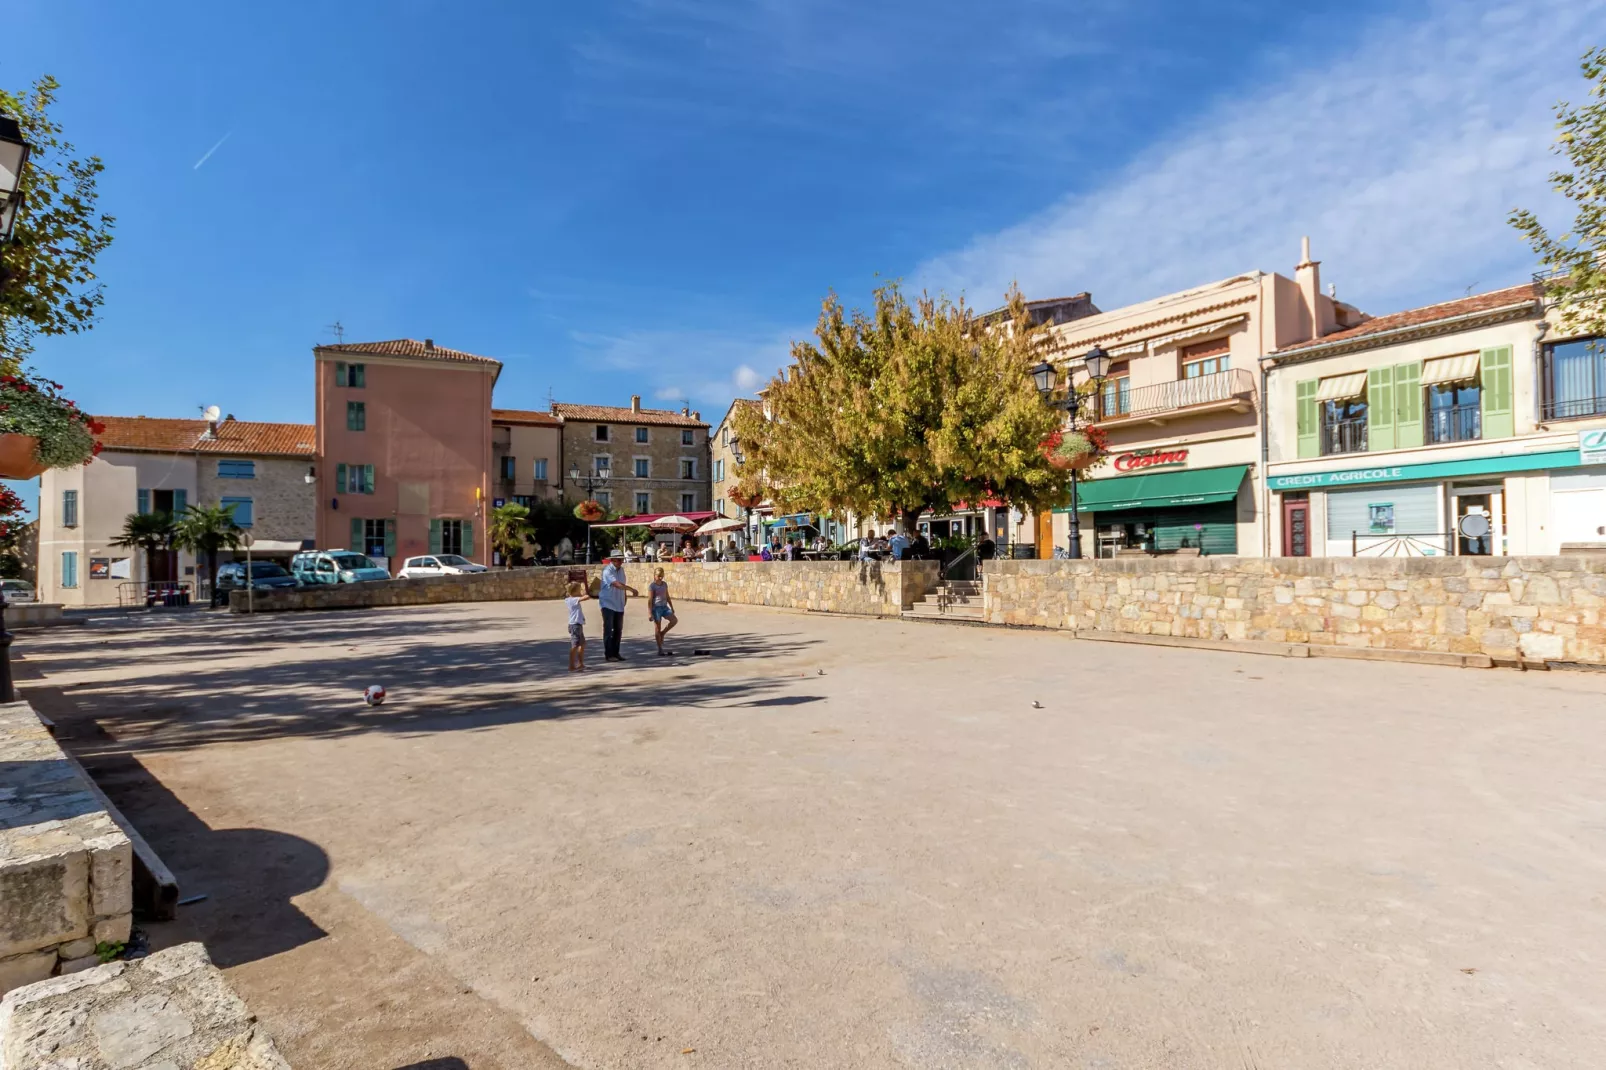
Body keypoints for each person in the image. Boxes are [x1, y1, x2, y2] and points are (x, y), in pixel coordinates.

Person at [599, 552, 639, 661]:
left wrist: (624, 598)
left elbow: (622, 584)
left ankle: (616, 653)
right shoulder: (607, 571)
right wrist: (631, 590)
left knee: (618, 629)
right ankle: (609, 654)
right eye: (618, 560)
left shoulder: (621, 570)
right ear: (612, 560)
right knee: (608, 629)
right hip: (607, 603)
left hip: (618, 604)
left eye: (621, 559)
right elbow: (617, 584)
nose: (621, 562)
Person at [647, 567, 678, 655]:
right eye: (659, 576)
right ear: (655, 576)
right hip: (656, 608)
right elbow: (650, 600)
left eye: (662, 576)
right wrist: (649, 613)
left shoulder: (664, 584)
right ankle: (660, 648)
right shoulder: (652, 586)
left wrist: (671, 606)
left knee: (674, 620)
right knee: (657, 627)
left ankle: (663, 633)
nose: (660, 578)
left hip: (664, 606)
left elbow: (667, 596)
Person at [565, 580, 590, 672]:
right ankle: (571, 665)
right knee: (575, 645)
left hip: (578, 624)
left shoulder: (570, 600)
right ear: (574, 591)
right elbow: (587, 597)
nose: (580, 592)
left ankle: (580, 663)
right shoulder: (572, 600)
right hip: (574, 625)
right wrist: (585, 592)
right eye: (579, 590)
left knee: (582, 644)